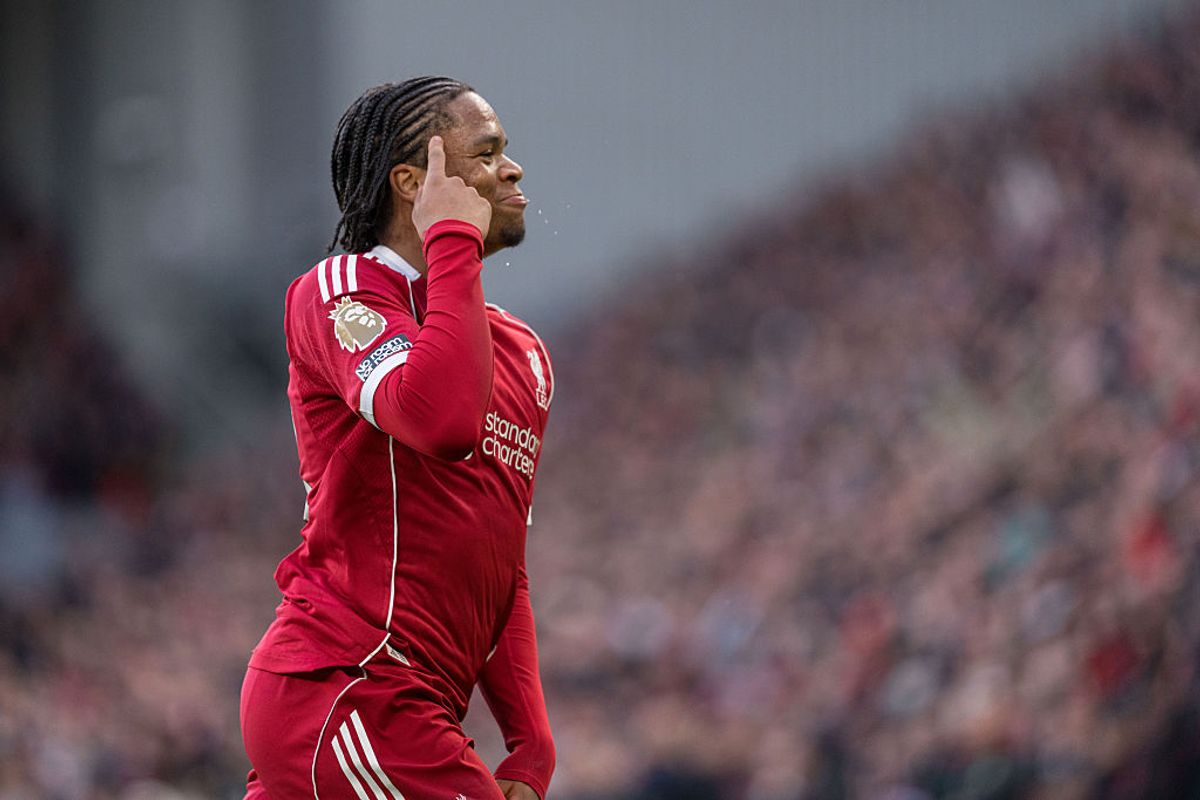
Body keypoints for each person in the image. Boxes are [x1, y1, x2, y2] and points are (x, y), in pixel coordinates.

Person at [240, 77, 555, 800]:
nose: (512, 169)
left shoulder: (523, 352)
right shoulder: (340, 290)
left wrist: (531, 741)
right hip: (347, 685)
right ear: (414, 182)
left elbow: (500, 561)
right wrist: (451, 238)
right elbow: (439, 421)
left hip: (404, 705)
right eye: (486, 152)